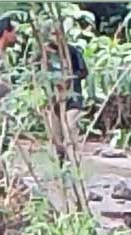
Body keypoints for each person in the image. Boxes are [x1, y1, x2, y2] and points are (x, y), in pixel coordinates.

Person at [43, 31, 88, 161]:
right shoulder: (46, 54)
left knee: (70, 129)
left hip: (72, 99)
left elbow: (84, 72)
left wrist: (69, 79)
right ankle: (60, 165)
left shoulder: (72, 52)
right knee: (55, 137)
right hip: (54, 101)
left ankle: (73, 162)